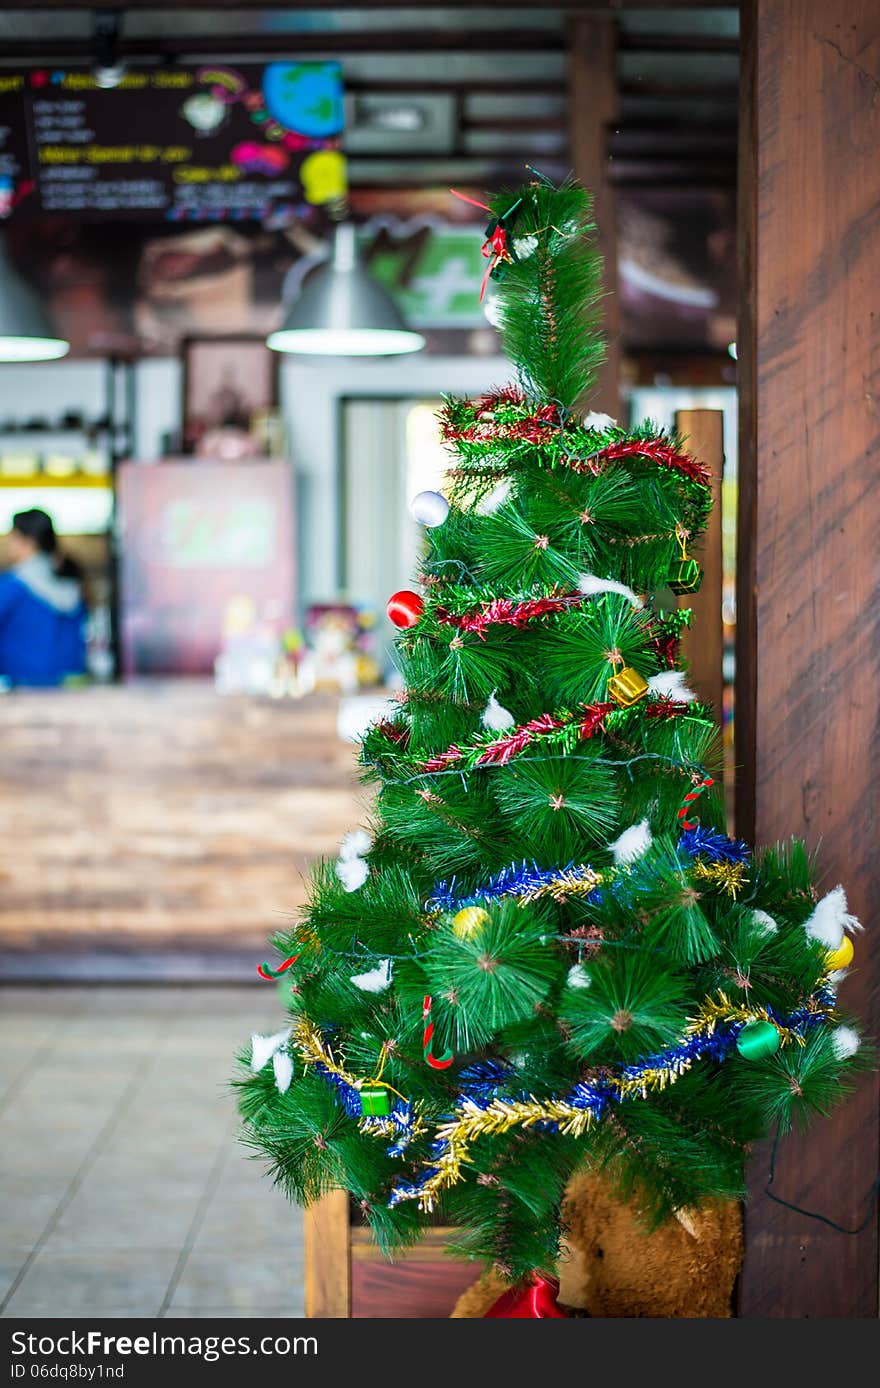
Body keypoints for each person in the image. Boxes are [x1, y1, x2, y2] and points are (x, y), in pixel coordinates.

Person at [0, 509, 87, 687]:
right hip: (72, 687)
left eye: (12, 537)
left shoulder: (12, 587)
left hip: (21, 688)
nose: (8, 543)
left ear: (28, 541)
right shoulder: (70, 583)